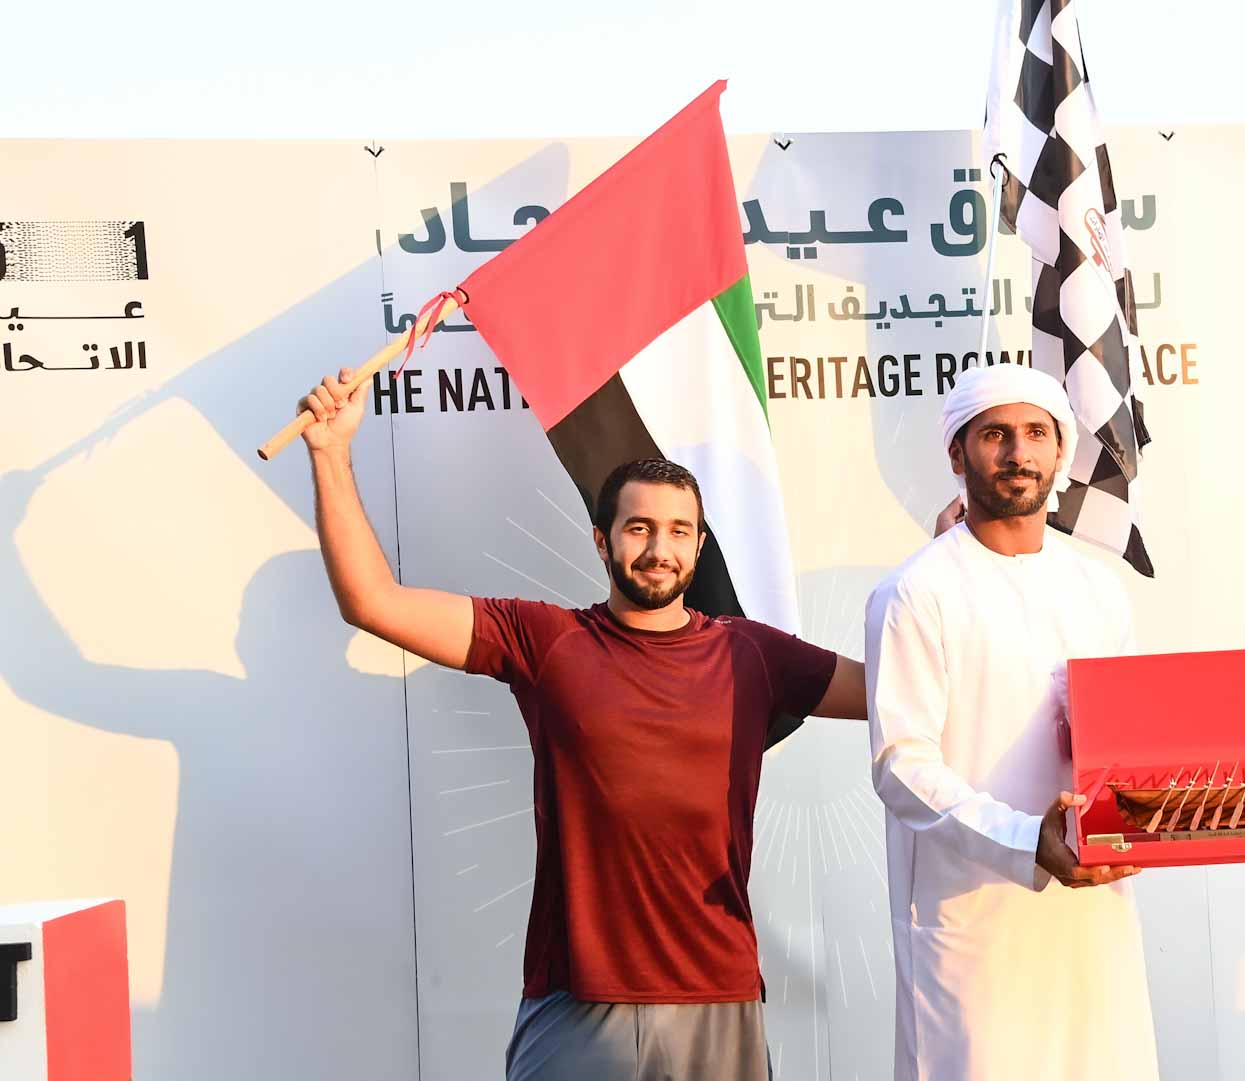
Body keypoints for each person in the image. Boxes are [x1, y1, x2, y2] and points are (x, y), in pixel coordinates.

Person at [295, 369, 868, 1081]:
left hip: (718, 997)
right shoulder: (547, 639)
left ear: (697, 547)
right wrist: (329, 452)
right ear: (602, 542)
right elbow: (373, 601)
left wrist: (944, 577)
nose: (659, 548)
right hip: (578, 1002)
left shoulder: (752, 651)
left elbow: (892, 691)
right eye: (639, 527)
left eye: (679, 531)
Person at [863, 363, 1158, 1081]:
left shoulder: (1099, 589)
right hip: (972, 927)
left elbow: (1124, 744)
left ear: (1060, 454)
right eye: (994, 434)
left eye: (1035, 434)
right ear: (957, 453)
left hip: (1091, 914)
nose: (1017, 453)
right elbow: (902, 765)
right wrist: (1026, 839)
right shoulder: (915, 591)